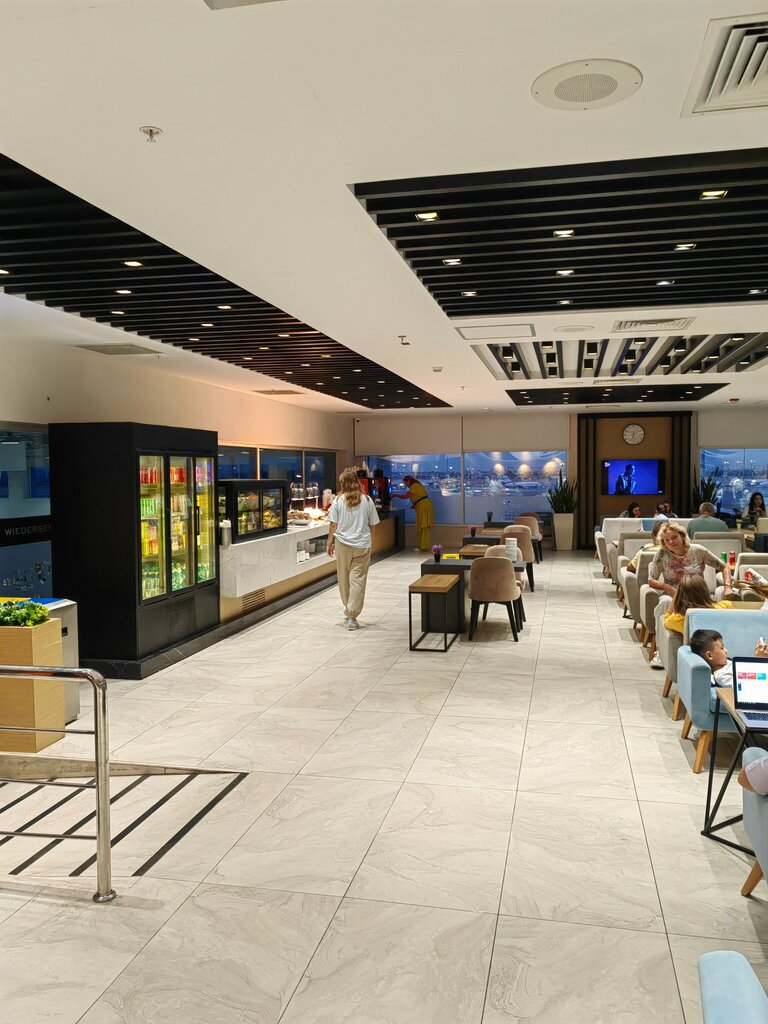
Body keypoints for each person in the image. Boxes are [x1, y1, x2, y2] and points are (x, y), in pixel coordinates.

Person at [326, 467, 379, 630]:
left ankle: (349, 611)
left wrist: (329, 543)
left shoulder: (338, 501)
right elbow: (373, 525)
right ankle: (352, 615)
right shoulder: (367, 500)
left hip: (343, 544)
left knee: (344, 578)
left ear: (343, 483)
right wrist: (370, 541)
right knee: (358, 580)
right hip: (362, 545)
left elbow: (333, 524)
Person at [648, 520, 733, 598]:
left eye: (674, 537)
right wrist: (667, 587)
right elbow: (651, 580)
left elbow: (724, 567)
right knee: (665, 601)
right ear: (664, 543)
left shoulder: (698, 550)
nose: (671, 542)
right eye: (667, 540)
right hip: (672, 595)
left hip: (697, 593)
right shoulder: (662, 554)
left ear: (682, 536)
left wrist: (728, 587)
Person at [663, 575, 733, 635]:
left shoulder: (680, 619)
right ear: (706, 590)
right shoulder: (725, 606)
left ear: (681, 595)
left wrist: (677, 593)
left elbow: (666, 618)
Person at [393, 474, 434, 551]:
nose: (406, 485)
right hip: (423, 505)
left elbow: (405, 496)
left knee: (423, 526)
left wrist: (395, 495)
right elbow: (420, 497)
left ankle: (423, 546)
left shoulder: (414, 486)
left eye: (406, 483)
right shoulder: (417, 485)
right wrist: (415, 504)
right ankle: (422, 545)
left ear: (408, 481)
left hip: (423, 506)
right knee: (422, 526)